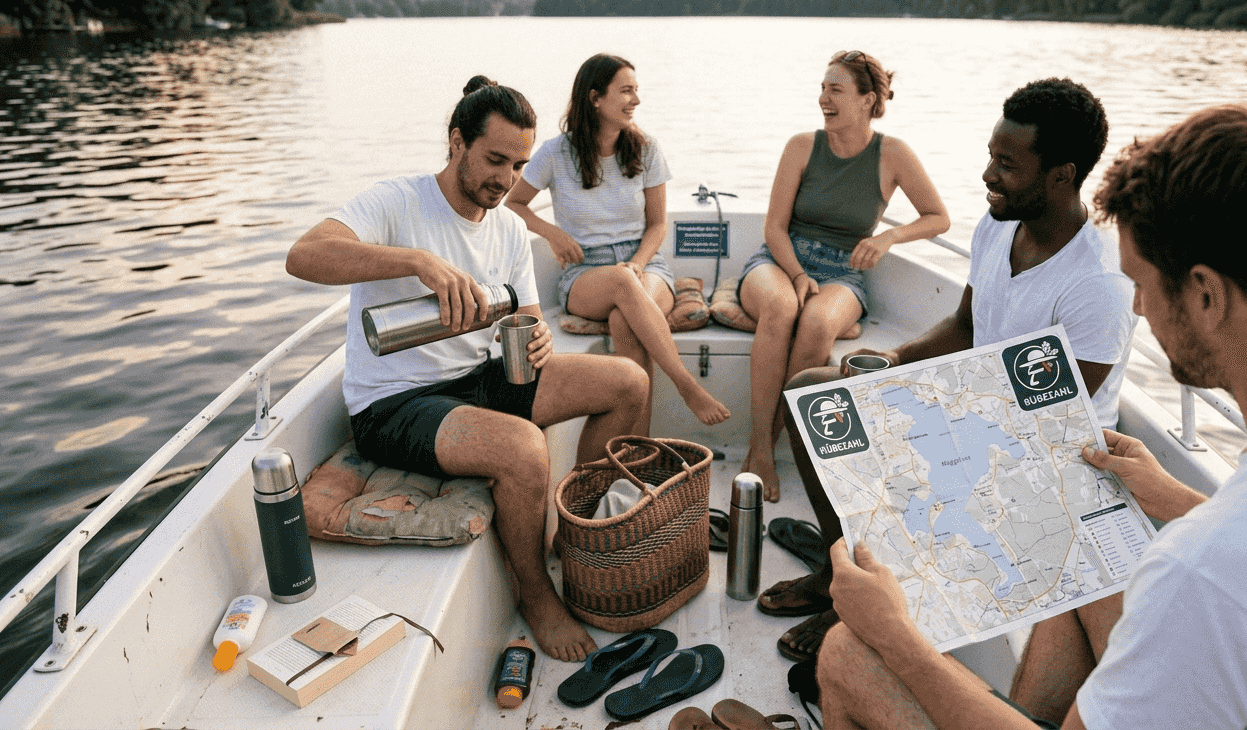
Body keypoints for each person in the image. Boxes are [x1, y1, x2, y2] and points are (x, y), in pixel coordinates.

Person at [819, 103, 1247, 729]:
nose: (1134, 305)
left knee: (847, 653)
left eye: (1140, 284)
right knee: (1080, 572)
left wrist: (898, 638)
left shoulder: (1208, 572)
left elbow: (1240, 571)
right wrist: (1179, 499)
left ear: (1206, 296)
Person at [759, 78, 1136, 665]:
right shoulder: (998, 226)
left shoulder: (1098, 283)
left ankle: (866, 590)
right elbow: (966, 324)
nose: (988, 175)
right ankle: (844, 568)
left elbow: (1055, 417)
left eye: (1007, 165)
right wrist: (894, 362)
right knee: (814, 394)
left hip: (1050, 454)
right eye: (991, 155)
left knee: (894, 447)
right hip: (976, 409)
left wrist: (924, 413)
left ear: (1062, 175)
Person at [285, 76, 650, 662]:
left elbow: (529, 320)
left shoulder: (507, 226)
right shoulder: (398, 202)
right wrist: (417, 261)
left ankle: (579, 539)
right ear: (457, 142)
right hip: (397, 402)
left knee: (627, 381)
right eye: (494, 159)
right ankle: (535, 595)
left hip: (481, 378)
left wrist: (537, 340)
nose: (506, 180)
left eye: (519, 165)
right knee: (524, 448)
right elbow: (303, 256)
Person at [739, 50, 951, 502]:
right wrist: (796, 275)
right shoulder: (802, 145)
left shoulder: (892, 153)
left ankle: (779, 439)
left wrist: (889, 237)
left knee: (815, 324)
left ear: (866, 99)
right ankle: (759, 449)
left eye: (835, 90)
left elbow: (937, 218)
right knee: (781, 307)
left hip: (844, 273)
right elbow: (774, 227)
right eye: (822, 88)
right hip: (780, 260)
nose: (823, 99)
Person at [505, 54, 728, 433]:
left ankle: (635, 449)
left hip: (645, 264)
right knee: (623, 285)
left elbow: (658, 225)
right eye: (626, 91)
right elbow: (512, 203)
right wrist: (553, 233)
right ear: (595, 98)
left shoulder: (646, 148)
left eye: (636, 91)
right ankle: (686, 384)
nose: (636, 100)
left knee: (625, 320)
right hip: (584, 272)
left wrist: (639, 263)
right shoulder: (555, 153)